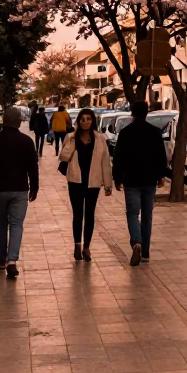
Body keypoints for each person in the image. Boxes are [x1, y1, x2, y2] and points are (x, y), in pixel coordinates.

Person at [0, 106, 39, 279]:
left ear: (4, 121)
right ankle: (12, 261)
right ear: (19, 121)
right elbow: (32, 167)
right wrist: (34, 186)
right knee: (16, 225)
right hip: (20, 189)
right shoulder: (27, 141)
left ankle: (1, 257)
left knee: (1, 223)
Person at [114, 101, 169, 267]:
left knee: (132, 213)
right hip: (149, 180)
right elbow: (161, 156)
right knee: (147, 215)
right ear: (146, 113)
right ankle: (145, 251)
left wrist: (117, 178)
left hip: (131, 180)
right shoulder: (154, 132)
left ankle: (136, 242)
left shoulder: (125, 133)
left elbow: (118, 157)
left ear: (132, 113)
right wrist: (161, 176)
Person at [57, 108, 113, 261]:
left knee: (89, 214)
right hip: (75, 181)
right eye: (82, 119)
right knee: (77, 214)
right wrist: (73, 140)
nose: (85, 122)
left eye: (88, 119)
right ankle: (77, 245)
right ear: (78, 122)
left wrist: (108, 184)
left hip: (93, 182)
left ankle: (87, 247)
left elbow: (105, 163)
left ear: (92, 121)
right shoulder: (70, 137)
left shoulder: (100, 138)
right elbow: (63, 156)